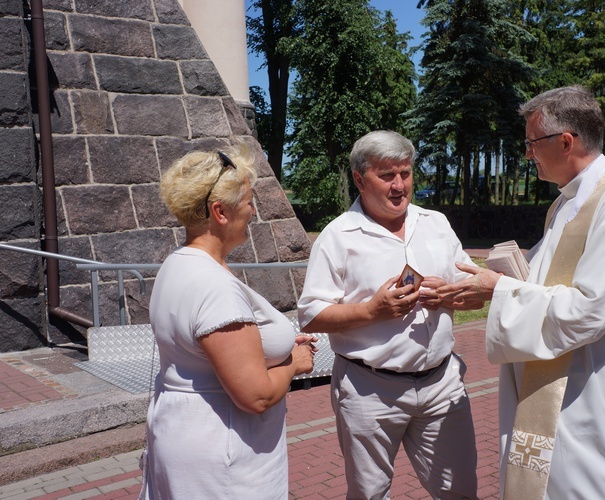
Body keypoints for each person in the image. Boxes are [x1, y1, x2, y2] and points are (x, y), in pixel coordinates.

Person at [437, 86, 605, 499]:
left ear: (566, 141)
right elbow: (544, 279)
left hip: (596, 402)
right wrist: (489, 287)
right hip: (564, 389)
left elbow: (590, 309)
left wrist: (502, 290)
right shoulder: (567, 203)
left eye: (532, 142)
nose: (528, 153)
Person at [297, 130, 479, 499]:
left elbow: (476, 294)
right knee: (369, 494)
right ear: (360, 180)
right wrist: (372, 311)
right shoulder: (338, 236)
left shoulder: (436, 224)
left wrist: (448, 293)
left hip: (442, 384)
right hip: (370, 391)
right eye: (387, 175)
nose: (399, 186)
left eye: (406, 173)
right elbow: (311, 315)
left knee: (460, 491)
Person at [140, 143, 316, 499]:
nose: (254, 211)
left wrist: (271, 351)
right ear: (220, 212)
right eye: (248, 201)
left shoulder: (177, 264)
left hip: (183, 435)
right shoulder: (214, 286)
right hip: (224, 456)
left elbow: (210, 352)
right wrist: (294, 364)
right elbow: (255, 396)